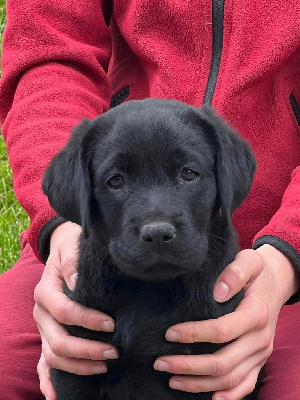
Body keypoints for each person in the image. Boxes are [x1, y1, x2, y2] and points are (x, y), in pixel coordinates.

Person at [1, 0, 300, 399]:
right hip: (99, 242)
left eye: (188, 174)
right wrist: (62, 230)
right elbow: (49, 53)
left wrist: (286, 257)